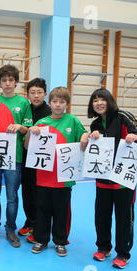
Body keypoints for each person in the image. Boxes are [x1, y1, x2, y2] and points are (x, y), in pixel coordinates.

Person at [87, 88, 137, 269]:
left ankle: (123, 253)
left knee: (124, 217)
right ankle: (103, 247)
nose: (99, 103)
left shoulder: (123, 117)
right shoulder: (96, 124)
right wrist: (93, 136)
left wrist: (136, 136)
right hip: (103, 178)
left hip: (124, 179)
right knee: (101, 215)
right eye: (95, 100)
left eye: (102, 99)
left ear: (109, 101)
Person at [25, 86, 89, 257]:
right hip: (43, 176)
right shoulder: (41, 123)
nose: (58, 105)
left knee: (61, 211)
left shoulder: (72, 120)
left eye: (62, 102)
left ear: (67, 104)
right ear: (50, 103)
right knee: (42, 209)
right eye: (55, 101)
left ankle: (60, 241)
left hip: (64, 176)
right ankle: (41, 239)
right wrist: (31, 133)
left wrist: (85, 136)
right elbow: (27, 146)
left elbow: (83, 138)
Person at [0, 64, 33, 248]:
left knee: (12, 195)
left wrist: (20, 127)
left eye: (11, 80)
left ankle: (10, 229)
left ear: (16, 82)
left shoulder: (23, 103)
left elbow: (29, 128)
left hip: (15, 156)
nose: (8, 83)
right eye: (4, 80)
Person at [20, 78, 51, 244]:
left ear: (45, 94)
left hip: (43, 160)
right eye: (33, 92)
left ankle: (40, 227)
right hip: (26, 158)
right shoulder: (25, 109)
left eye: (39, 92)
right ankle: (29, 222)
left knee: (41, 195)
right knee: (27, 192)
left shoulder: (50, 111)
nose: (36, 95)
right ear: (27, 94)